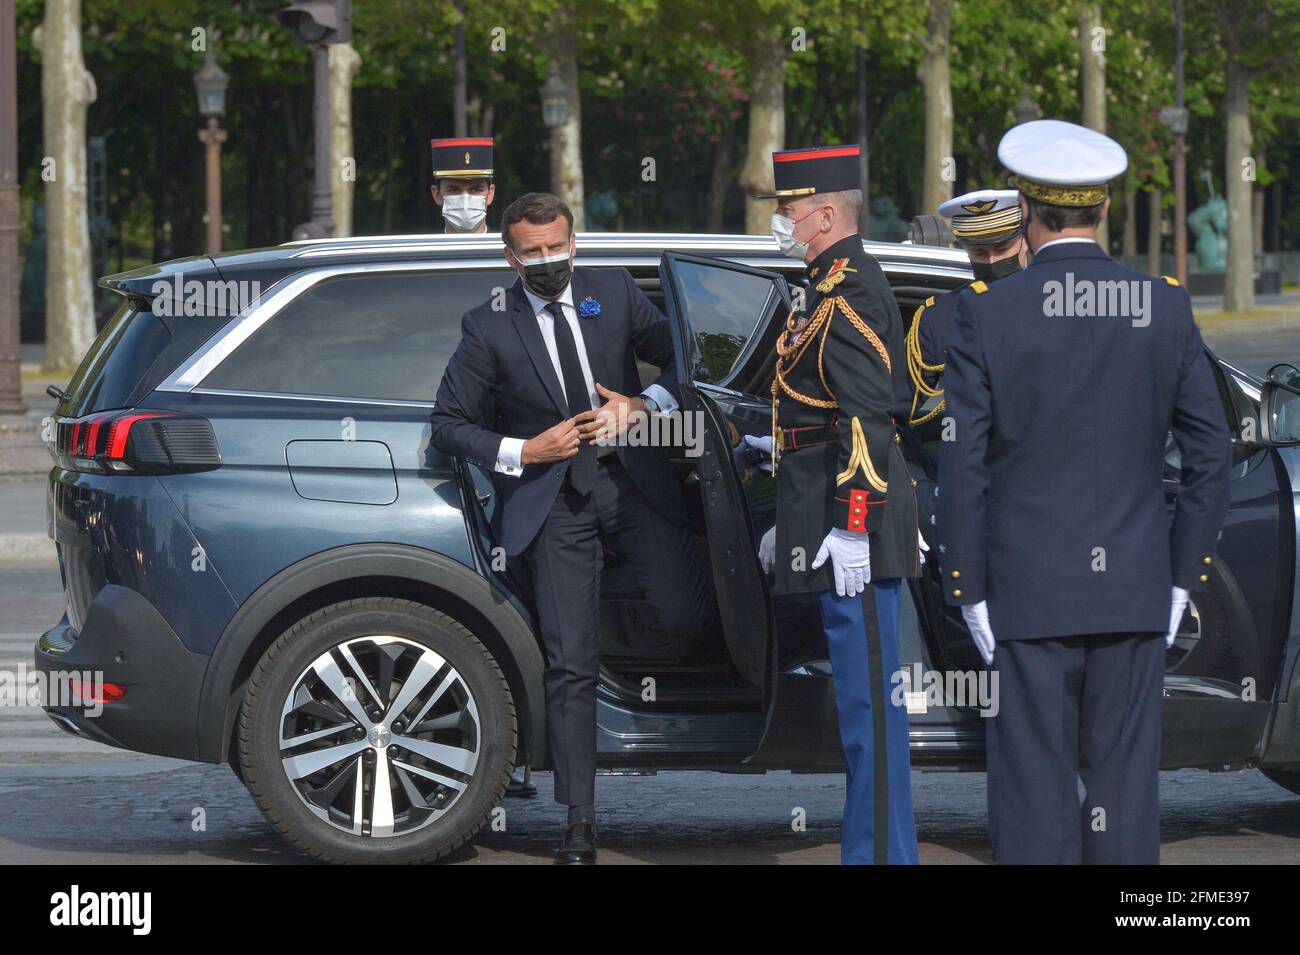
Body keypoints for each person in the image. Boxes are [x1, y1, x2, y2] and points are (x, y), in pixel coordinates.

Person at [937, 119, 1233, 864]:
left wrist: (968, 587)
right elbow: (1211, 454)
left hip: (1027, 593)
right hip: (1132, 590)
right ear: (1103, 210)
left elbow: (963, 461)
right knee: (1126, 798)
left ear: (1028, 215)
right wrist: (1177, 580)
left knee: (1033, 795)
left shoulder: (988, 312)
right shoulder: (1164, 305)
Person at [429, 192, 715, 864]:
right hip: (554, 502)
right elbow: (448, 424)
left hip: (633, 484)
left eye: (557, 247)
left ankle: (675, 715)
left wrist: (648, 402)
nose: (548, 260)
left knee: (688, 612)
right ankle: (579, 821)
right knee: (570, 663)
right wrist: (526, 451)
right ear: (510, 256)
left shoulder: (613, 291)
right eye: (532, 253)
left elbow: (692, 353)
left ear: (574, 243)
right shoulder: (488, 325)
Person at [754, 144, 922, 864]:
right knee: (862, 714)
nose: (782, 222)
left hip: (853, 536)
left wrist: (852, 527)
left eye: (788, 210)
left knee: (870, 718)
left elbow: (866, 419)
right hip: (824, 524)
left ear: (824, 214)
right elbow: (808, 418)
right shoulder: (823, 287)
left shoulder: (849, 292)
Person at [898, 190, 1029, 536]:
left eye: (1002, 249)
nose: (991, 261)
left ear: (1025, 240)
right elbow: (895, 416)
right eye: (979, 252)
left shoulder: (1061, 305)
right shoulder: (939, 319)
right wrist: (924, 496)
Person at [429, 137, 496, 234]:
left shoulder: (508, 248)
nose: (465, 200)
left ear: (490, 194)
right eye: (453, 190)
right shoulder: (422, 249)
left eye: (476, 189)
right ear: (437, 194)